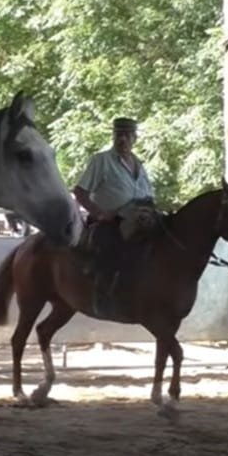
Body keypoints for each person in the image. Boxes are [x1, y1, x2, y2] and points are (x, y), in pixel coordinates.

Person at [72, 117, 156, 315]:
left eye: (127, 135)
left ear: (135, 138)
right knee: (109, 248)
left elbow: (149, 195)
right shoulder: (101, 160)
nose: (123, 139)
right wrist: (99, 213)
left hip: (140, 219)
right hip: (109, 221)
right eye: (119, 134)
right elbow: (80, 192)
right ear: (113, 136)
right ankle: (102, 299)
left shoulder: (139, 164)